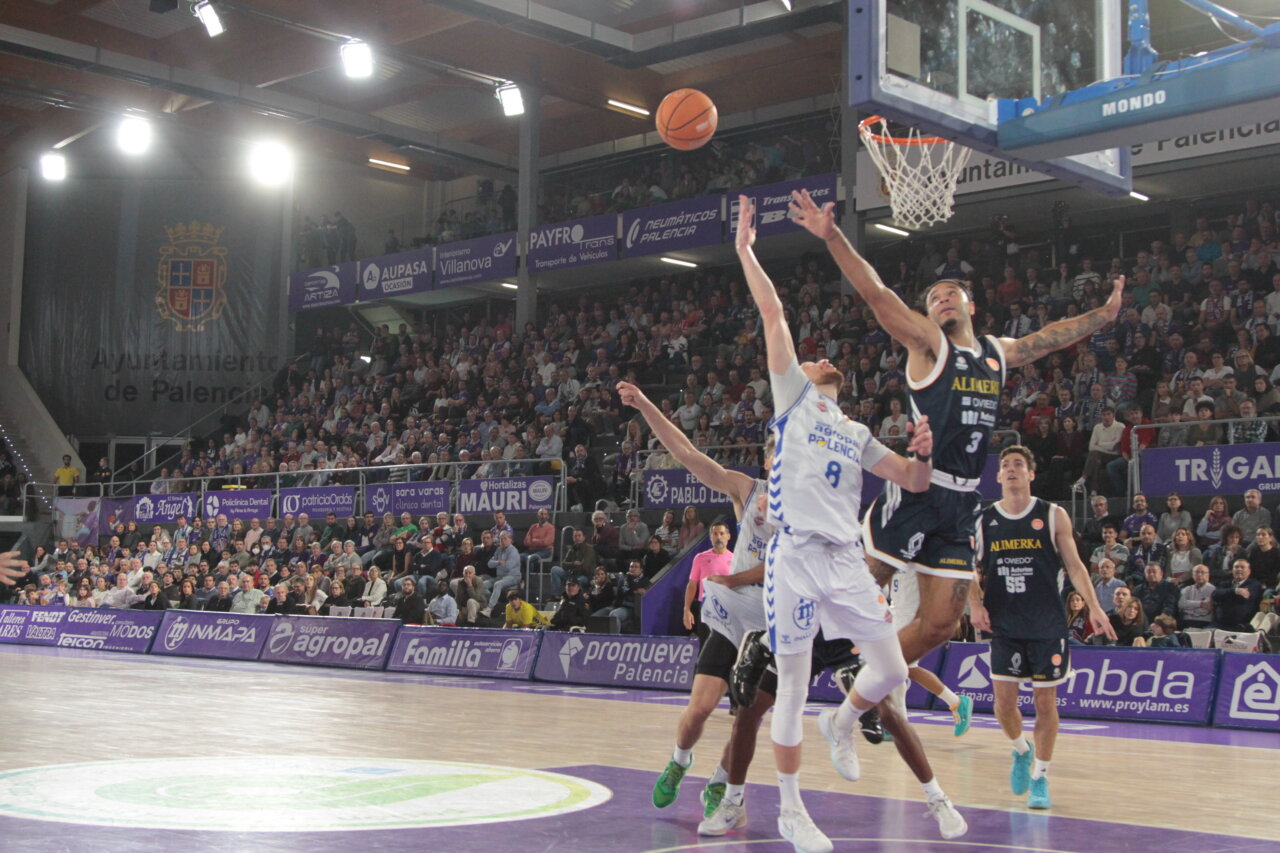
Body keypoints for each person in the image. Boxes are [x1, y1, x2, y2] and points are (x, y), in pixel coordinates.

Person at [790, 188, 1123, 672]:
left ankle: (864, 678)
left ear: (971, 306)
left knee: (941, 625)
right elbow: (877, 294)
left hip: (964, 498)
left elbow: (1050, 338)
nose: (942, 299)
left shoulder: (996, 352)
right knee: (858, 587)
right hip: (920, 486)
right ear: (928, 315)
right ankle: (781, 651)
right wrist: (833, 236)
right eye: (933, 298)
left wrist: (1104, 316)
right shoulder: (928, 345)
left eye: (951, 294)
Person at [736, 193, 957, 851]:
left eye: (825, 359)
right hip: (797, 557)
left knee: (890, 671)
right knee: (792, 684)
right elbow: (773, 312)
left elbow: (912, 481)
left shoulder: (856, 429)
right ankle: (791, 810)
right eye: (812, 358)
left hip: (845, 559)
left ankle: (843, 720)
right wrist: (745, 249)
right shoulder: (792, 400)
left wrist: (923, 455)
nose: (822, 357)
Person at [969, 446, 1115, 811]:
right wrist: (975, 604)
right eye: (1005, 465)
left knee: (1044, 703)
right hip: (1004, 622)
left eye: (1019, 464)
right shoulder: (985, 520)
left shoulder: (1052, 515)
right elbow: (967, 567)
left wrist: (1095, 607)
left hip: (1047, 624)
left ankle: (1040, 776)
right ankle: (1021, 750)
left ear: (1031, 474)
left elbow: (1076, 566)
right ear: (998, 476)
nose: (1011, 469)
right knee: (1004, 705)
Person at [683, 522, 733, 633]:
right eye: (715, 534)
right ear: (710, 537)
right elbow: (692, 585)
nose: (718, 537)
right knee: (706, 641)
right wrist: (686, 609)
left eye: (721, 533)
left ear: (728, 536)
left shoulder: (735, 559)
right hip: (706, 609)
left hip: (728, 609)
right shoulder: (700, 558)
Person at [1211, 559, 1262, 631]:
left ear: (1249, 571)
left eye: (1242, 567)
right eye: (1236, 567)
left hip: (1240, 626)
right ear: (1232, 570)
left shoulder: (1254, 584)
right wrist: (1235, 591)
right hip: (1219, 624)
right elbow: (1215, 595)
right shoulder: (1225, 584)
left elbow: (1243, 598)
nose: (1239, 569)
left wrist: (1225, 596)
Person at [1178, 564, 1215, 630]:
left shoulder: (1213, 590)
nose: (1199, 575)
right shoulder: (1187, 589)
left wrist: (1188, 607)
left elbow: (1206, 610)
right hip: (1186, 621)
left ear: (1208, 575)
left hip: (1204, 622)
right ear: (1193, 575)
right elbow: (1181, 604)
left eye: (1202, 572)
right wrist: (1201, 604)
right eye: (1197, 572)